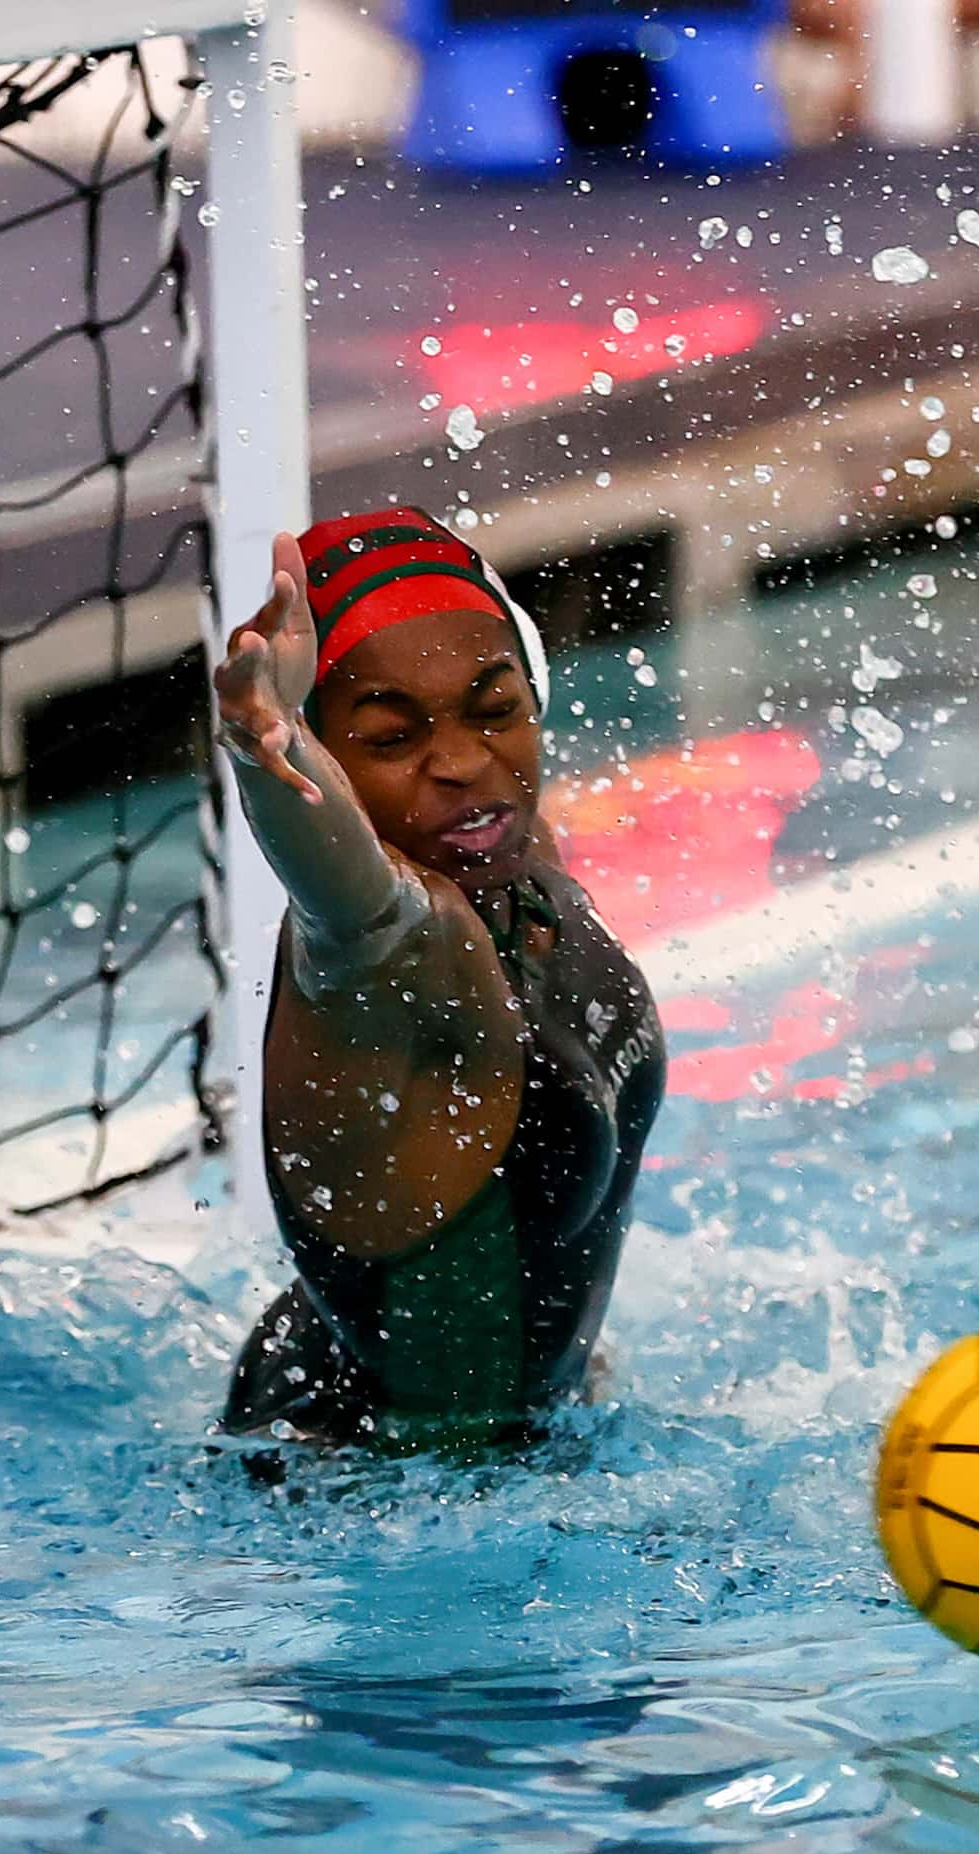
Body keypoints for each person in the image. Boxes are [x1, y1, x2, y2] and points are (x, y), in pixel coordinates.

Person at [214, 507, 667, 1452]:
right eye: (388, 738)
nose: (463, 763)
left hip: (508, 1450)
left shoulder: (509, 858)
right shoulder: (390, 954)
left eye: (495, 710)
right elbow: (348, 893)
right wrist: (268, 746)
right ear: (329, 759)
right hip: (360, 1493)